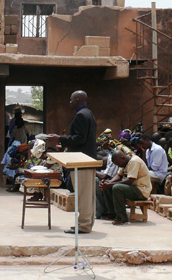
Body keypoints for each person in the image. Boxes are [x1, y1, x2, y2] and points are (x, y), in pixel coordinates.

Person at [48, 90, 97, 234]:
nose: (69, 102)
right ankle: (87, 223)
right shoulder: (88, 113)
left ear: (77, 100)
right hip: (86, 160)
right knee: (87, 196)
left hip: (82, 161)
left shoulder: (81, 115)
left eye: (71, 100)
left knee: (83, 196)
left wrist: (60, 139)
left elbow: (79, 138)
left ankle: (83, 226)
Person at [99, 150, 152, 225]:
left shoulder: (134, 161)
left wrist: (111, 184)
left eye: (118, 164)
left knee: (117, 188)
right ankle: (112, 213)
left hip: (141, 191)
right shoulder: (124, 162)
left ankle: (121, 218)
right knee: (108, 187)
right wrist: (108, 183)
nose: (118, 166)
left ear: (122, 157)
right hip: (133, 188)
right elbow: (119, 175)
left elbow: (130, 180)